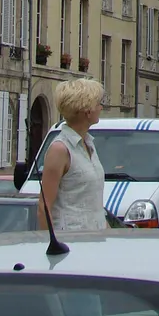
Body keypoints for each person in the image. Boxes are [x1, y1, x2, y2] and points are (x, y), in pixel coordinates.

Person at [39, 79, 106, 231]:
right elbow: (44, 206)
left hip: (96, 239)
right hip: (71, 240)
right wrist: (49, 245)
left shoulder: (89, 144)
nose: (101, 107)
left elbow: (95, 207)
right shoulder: (60, 149)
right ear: (87, 111)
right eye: (98, 104)